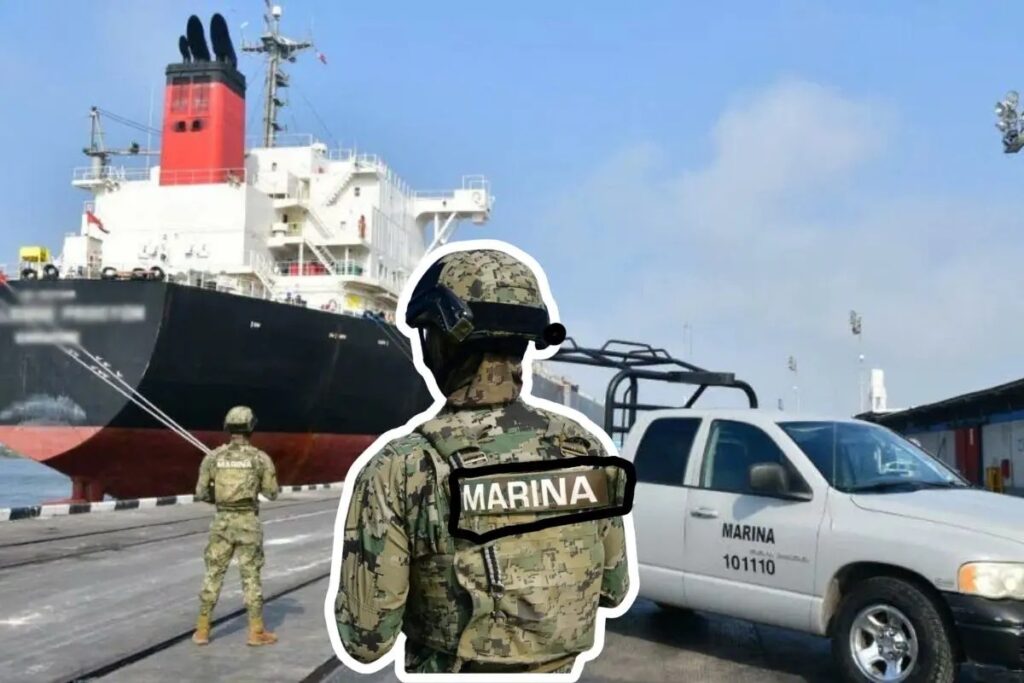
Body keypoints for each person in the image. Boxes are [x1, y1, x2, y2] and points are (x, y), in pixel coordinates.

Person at [332, 248, 631, 674]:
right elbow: (614, 590)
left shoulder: (403, 467)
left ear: (441, 343)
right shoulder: (584, 450)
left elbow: (365, 639)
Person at [191, 405, 280, 647]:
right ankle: (256, 632)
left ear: (227, 428)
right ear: (251, 427)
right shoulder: (260, 459)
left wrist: (221, 500)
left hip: (221, 522)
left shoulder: (213, 457)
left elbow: (201, 492)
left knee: (213, 573)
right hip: (248, 522)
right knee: (250, 576)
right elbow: (271, 493)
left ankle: (202, 631)